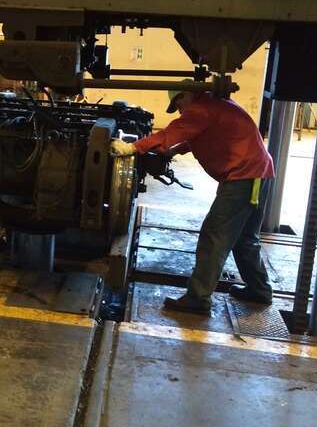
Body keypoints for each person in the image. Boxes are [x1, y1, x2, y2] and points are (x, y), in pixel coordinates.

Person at [112, 87, 275, 315]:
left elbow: (171, 132)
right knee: (245, 239)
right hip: (260, 174)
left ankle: (198, 298)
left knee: (214, 235)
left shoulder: (200, 110)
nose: (180, 112)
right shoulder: (215, 105)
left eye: (178, 106)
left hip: (244, 177)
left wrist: (132, 147)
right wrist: (177, 151)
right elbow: (203, 134)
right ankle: (260, 290)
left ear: (185, 95)